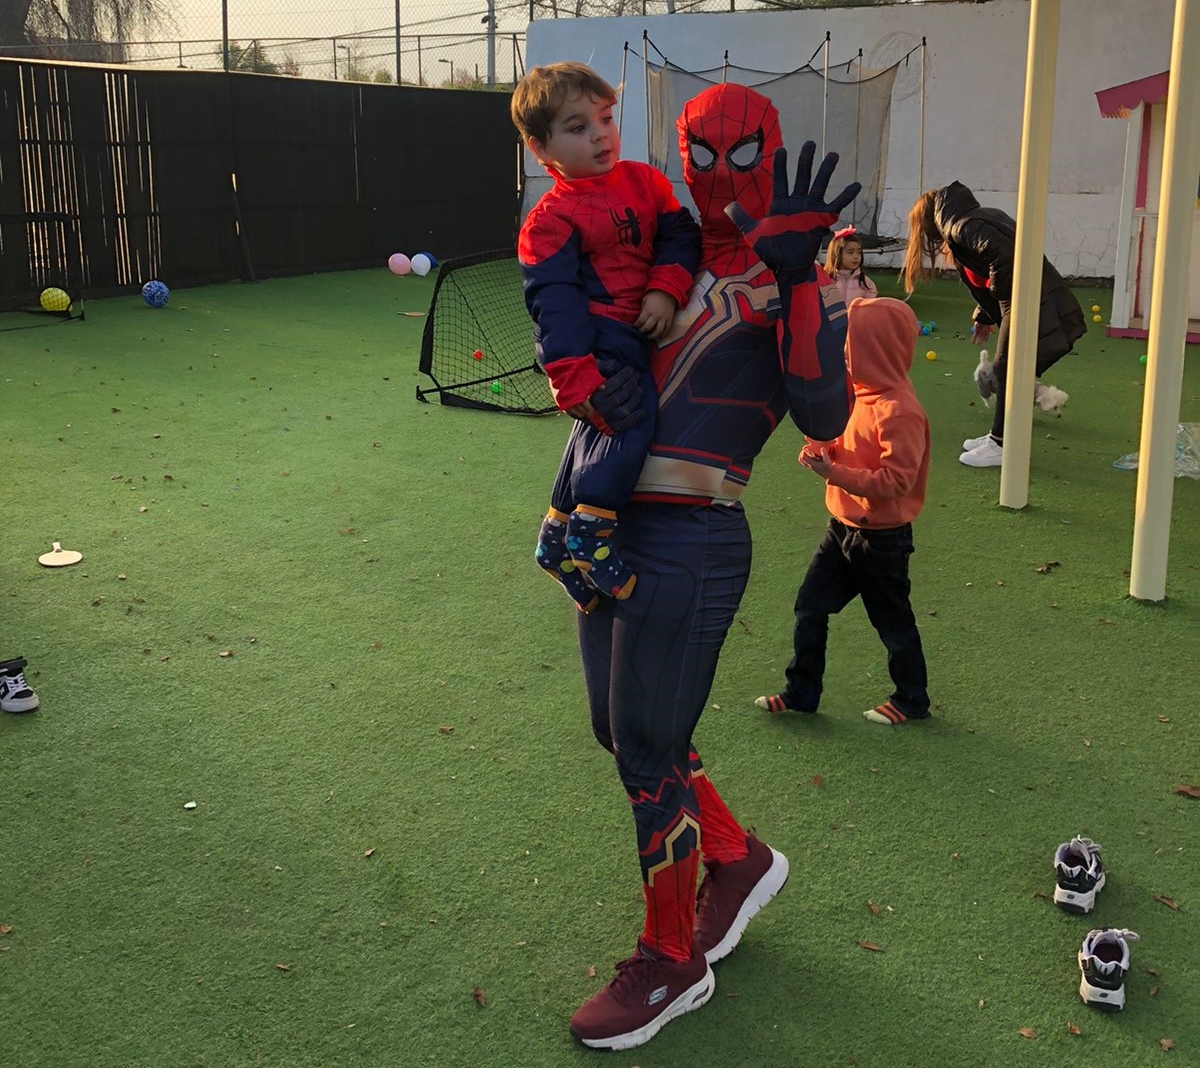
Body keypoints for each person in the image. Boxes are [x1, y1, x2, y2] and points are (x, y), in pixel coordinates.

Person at [563, 82, 860, 1051]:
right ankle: (735, 858)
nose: (720, 175)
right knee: (622, 732)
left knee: (648, 749)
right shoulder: (669, 254)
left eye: (741, 155)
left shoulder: (790, 278)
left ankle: (671, 961)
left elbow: (824, 410)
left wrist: (802, 276)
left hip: (692, 535)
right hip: (609, 528)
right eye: (700, 153)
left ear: (770, 153)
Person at [511, 62, 700, 611]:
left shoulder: (644, 181)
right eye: (577, 127)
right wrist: (572, 376)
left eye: (605, 119)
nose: (600, 135)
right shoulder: (549, 221)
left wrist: (665, 287)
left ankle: (555, 538)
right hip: (600, 339)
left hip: (637, 326)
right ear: (540, 148)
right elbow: (554, 305)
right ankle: (591, 533)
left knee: (595, 431)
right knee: (627, 417)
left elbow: (681, 235)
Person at [754, 296, 931, 725]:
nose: (844, 355)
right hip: (842, 528)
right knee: (809, 606)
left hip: (883, 540)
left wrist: (833, 473)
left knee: (892, 622)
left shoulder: (899, 411)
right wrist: (824, 449)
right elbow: (850, 445)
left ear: (878, 349)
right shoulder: (858, 396)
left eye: (851, 346)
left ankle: (911, 700)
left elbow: (896, 482)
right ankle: (801, 693)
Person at [902, 181, 1086, 468]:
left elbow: (1004, 259)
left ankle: (1001, 444)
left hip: (1024, 299)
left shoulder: (963, 227)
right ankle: (1000, 438)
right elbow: (987, 272)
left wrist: (1002, 298)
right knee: (1007, 369)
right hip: (1023, 297)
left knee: (1007, 369)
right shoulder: (971, 222)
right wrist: (986, 316)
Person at [823, 225, 877, 305]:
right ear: (837, 254)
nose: (856, 256)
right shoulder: (826, 280)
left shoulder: (865, 283)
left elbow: (870, 307)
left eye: (859, 252)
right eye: (850, 252)